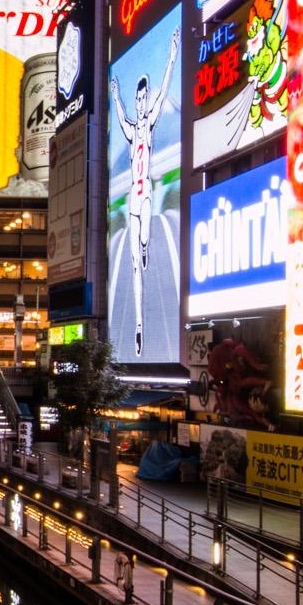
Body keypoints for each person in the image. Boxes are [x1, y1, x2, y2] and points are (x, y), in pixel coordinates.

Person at [110, 25, 180, 359]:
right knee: (136, 264)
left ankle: (145, 247)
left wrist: (172, 55)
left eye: (142, 97)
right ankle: (139, 326)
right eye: (137, 98)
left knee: (144, 244)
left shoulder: (150, 123)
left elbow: (166, 87)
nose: (140, 103)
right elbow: (120, 115)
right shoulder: (130, 126)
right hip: (133, 201)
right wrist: (114, 95)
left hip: (146, 193)